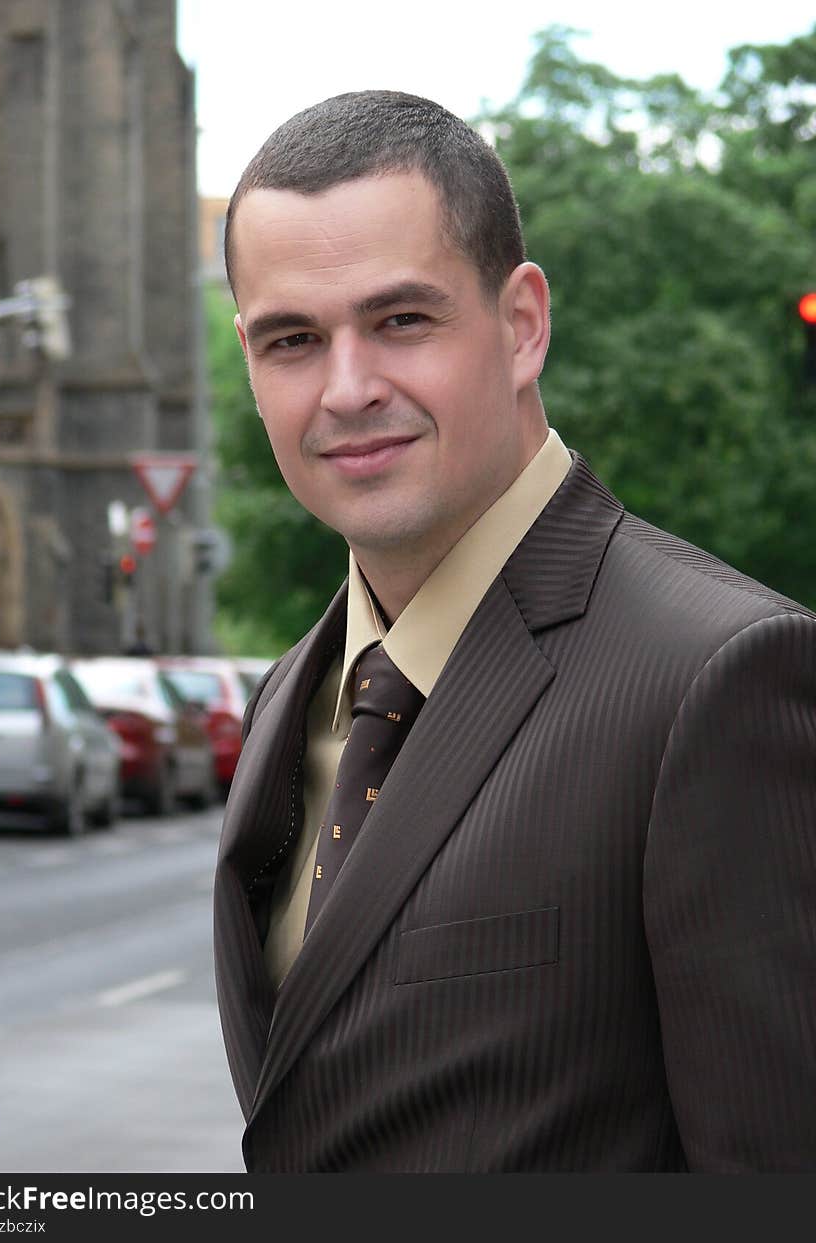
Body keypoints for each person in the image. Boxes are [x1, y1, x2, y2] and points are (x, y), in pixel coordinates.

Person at [213, 90, 816, 1173]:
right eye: (292, 339)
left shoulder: (719, 679)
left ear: (523, 323)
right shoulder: (289, 699)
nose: (346, 390)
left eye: (401, 320)